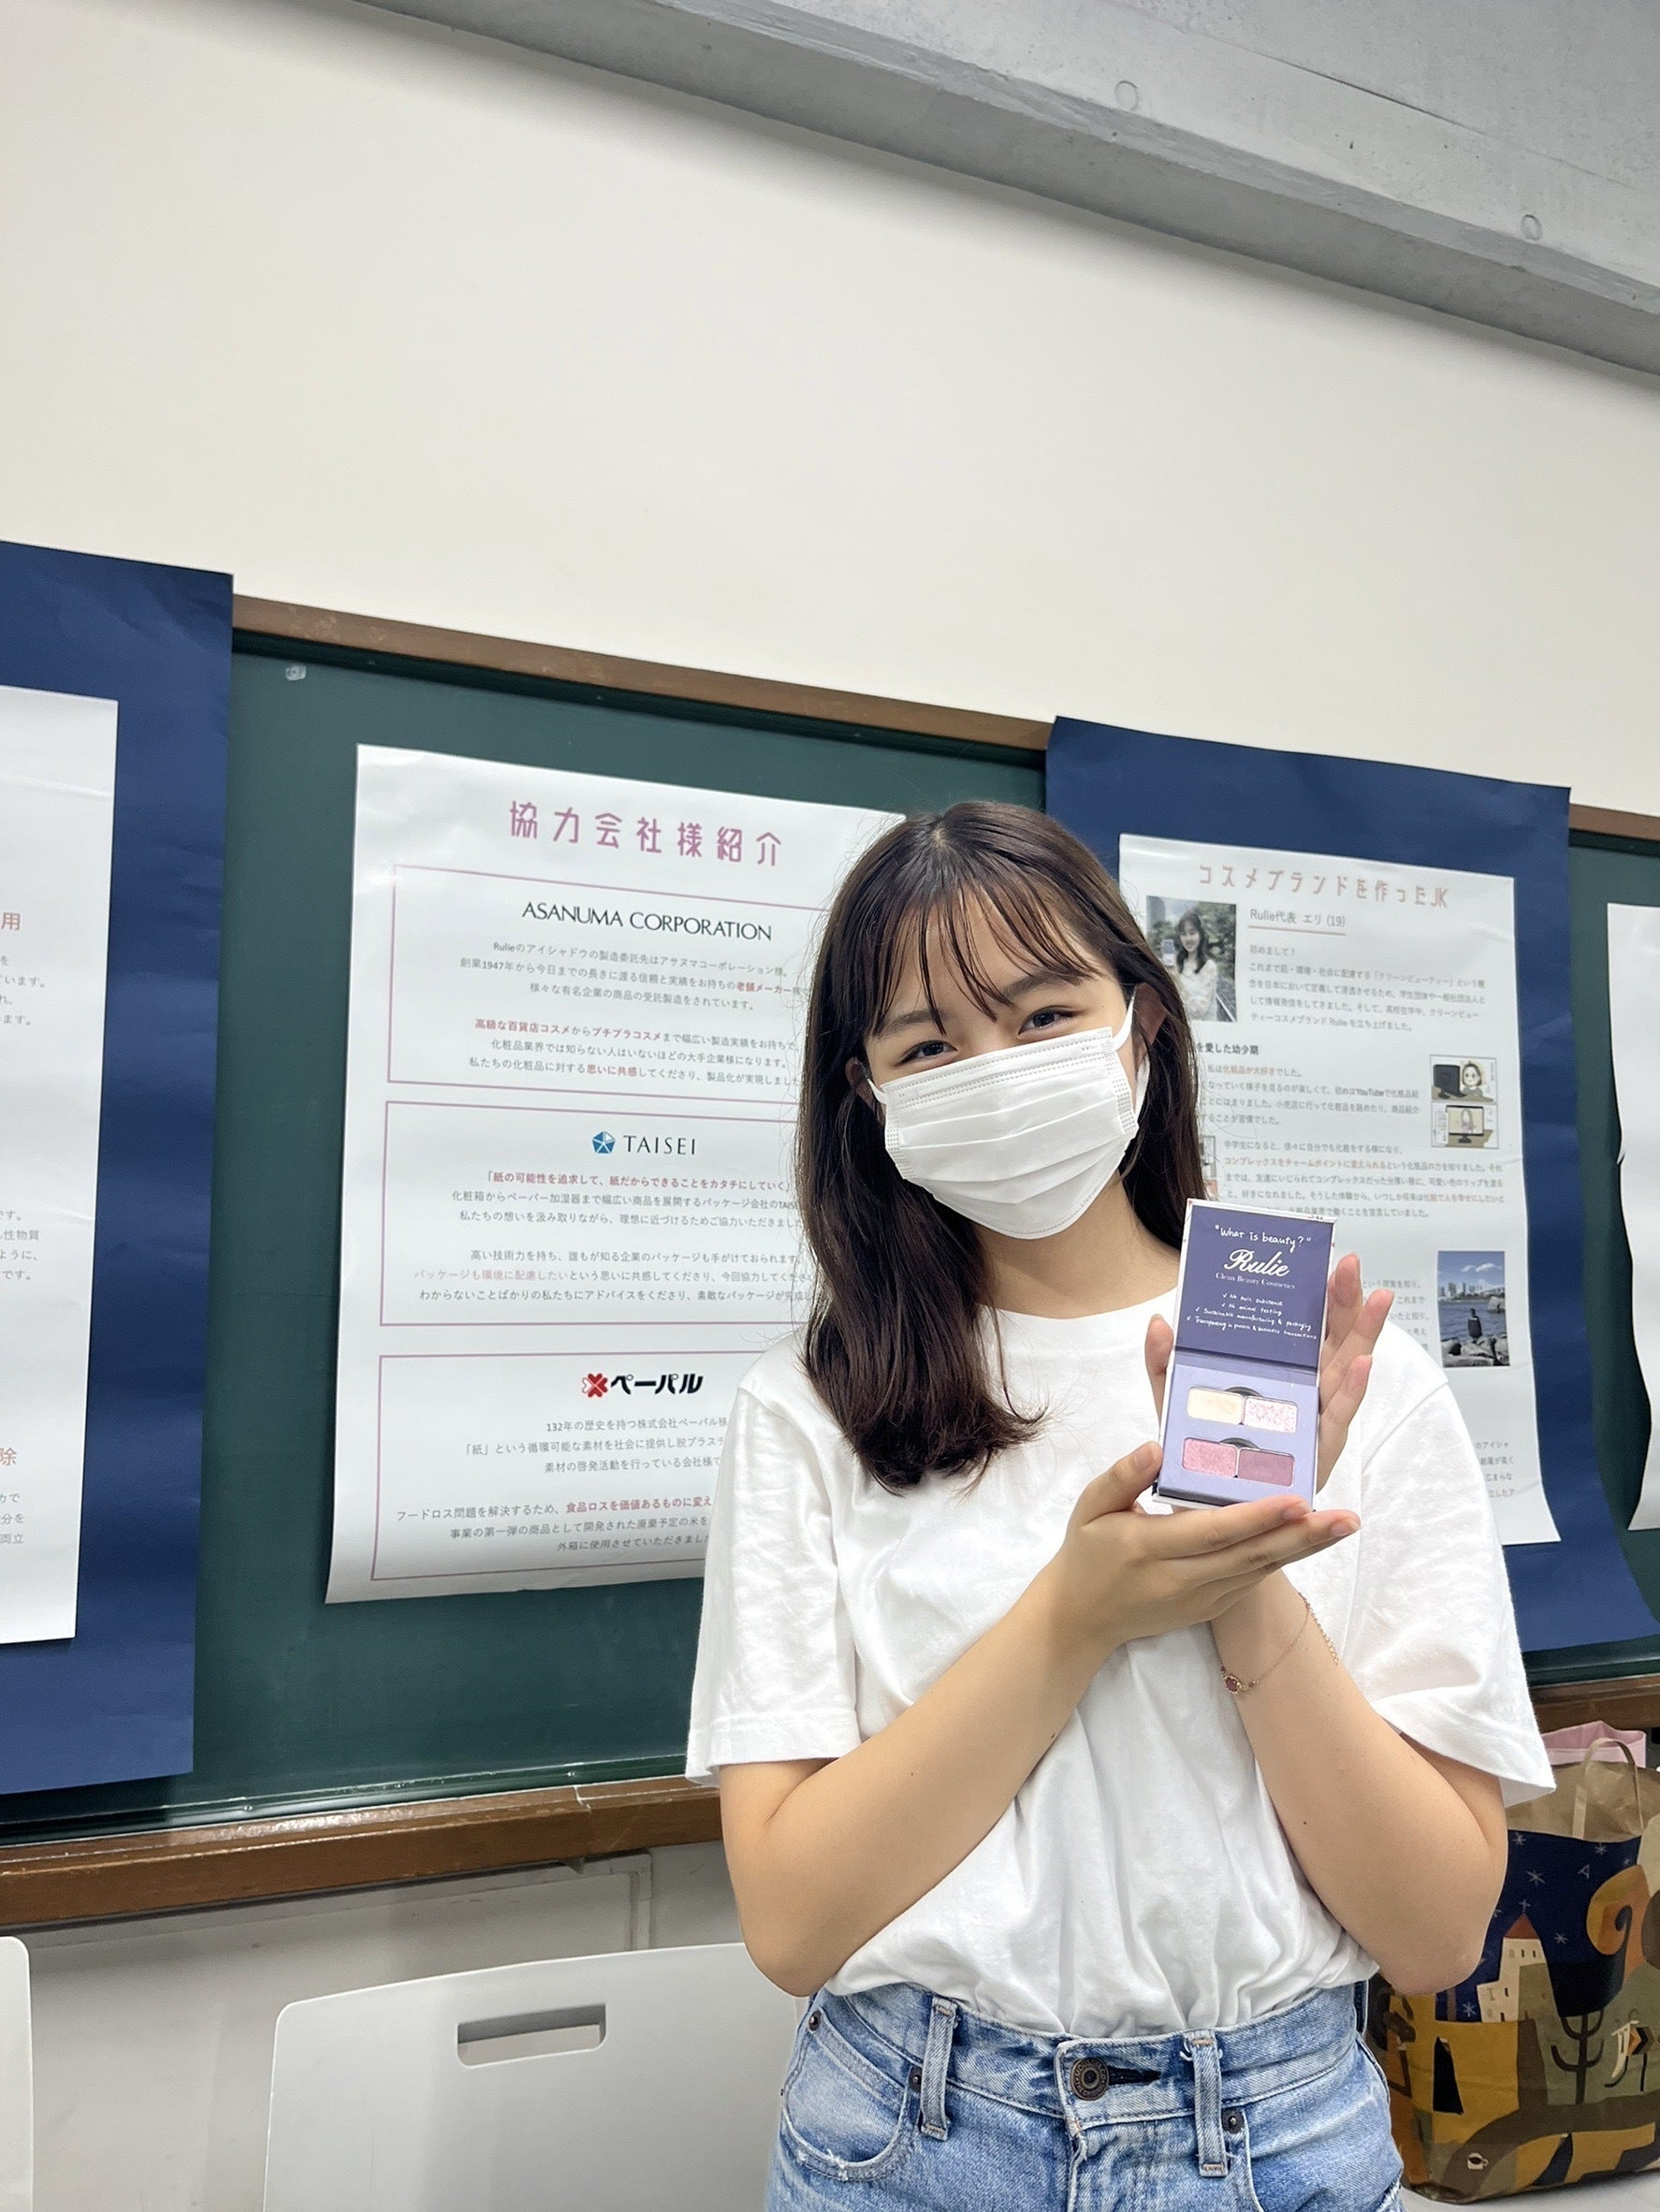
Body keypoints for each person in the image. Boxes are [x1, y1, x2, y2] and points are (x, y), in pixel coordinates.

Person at [688, 802, 1551, 2210]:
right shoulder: (808, 1408)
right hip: (911, 2137)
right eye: (928, 1046)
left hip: (1278, 2135)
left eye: (1042, 1015)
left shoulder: (1340, 1377)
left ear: (1141, 1023)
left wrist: (1241, 1571)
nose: (996, 1072)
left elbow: (1437, 1931)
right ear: (868, 1091)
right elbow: (791, 1921)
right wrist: (1075, 1617)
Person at [1170, 908, 1220, 1022]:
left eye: (1192, 933)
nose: (1188, 939)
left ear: (1200, 935)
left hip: (1203, 1030)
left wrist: (1177, 981)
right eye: (1183, 934)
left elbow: (1198, 1011)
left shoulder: (1209, 967)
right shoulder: (1175, 962)